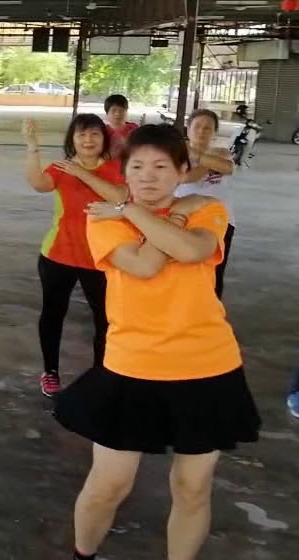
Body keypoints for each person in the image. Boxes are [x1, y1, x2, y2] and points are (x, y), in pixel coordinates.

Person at [55, 123, 260, 560]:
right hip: (133, 366)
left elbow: (191, 252)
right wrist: (165, 215)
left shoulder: (211, 209)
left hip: (207, 364)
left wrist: (139, 213)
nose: (148, 176)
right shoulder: (102, 218)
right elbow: (147, 265)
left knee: (192, 488)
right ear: (123, 173)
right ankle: (82, 555)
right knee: (108, 485)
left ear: (183, 170)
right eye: (137, 167)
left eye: (162, 166)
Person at [23, 114, 126, 397]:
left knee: (104, 319)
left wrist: (82, 172)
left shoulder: (116, 168)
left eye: (94, 134)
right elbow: (38, 183)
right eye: (81, 135)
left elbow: (120, 196)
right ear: (72, 139)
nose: (88, 140)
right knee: (53, 314)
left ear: (104, 139)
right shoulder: (60, 168)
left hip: (101, 257)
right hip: (58, 254)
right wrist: (32, 146)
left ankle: (101, 373)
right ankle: (50, 371)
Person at [177, 109, 236, 299]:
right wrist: (206, 160)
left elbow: (226, 167)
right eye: (197, 127)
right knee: (181, 269)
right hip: (182, 218)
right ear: (188, 129)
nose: (202, 131)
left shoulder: (223, 153)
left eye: (208, 128)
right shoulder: (176, 155)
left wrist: (195, 154)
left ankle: (211, 315)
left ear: (215, 132)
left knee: (214, 271)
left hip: (219, 221)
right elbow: (186, 177)